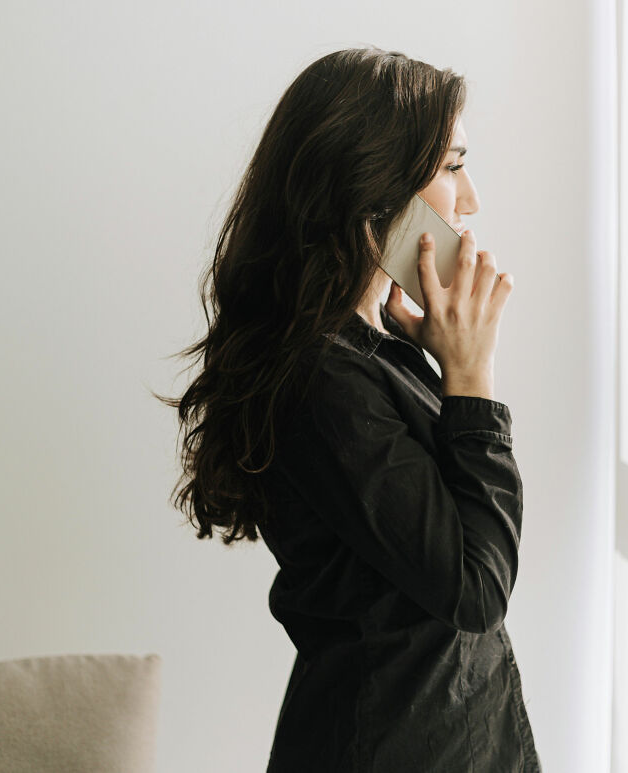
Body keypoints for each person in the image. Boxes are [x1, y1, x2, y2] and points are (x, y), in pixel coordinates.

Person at [160, 46, 542, 772]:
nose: (471, 200)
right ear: (374, 185)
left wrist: (441, 363)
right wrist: (471, 371)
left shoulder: (363, 351)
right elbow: (476, 589)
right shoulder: (321, 377)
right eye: (454, 165)